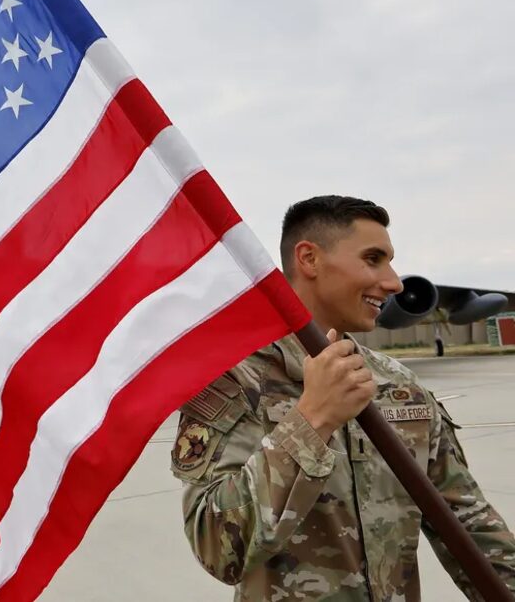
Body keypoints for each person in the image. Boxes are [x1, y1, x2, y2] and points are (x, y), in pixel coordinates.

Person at [173, 196, 515, 600]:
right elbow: (218, 550)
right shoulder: (237, 382)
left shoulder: (399, 387)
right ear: (309, 259)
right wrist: (311, 420)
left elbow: (471, 527)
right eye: (373, 259)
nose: (395, 283)